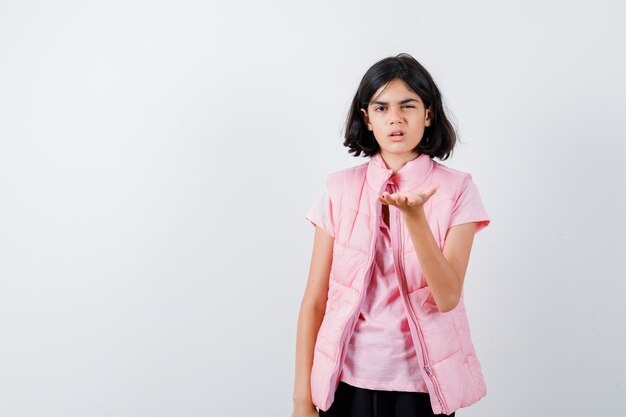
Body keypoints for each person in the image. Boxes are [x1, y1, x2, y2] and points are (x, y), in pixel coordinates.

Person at [291, 53, 491, 417]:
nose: (395, 118)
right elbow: (314, 302)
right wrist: (302, 402)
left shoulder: (458, 189)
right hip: (343, 384)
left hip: (421, 388)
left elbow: (447, 297)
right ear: (366, 118)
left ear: (428, 114)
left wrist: (415, 219)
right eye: (381, 108)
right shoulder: (339, 189)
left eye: (408, 106)